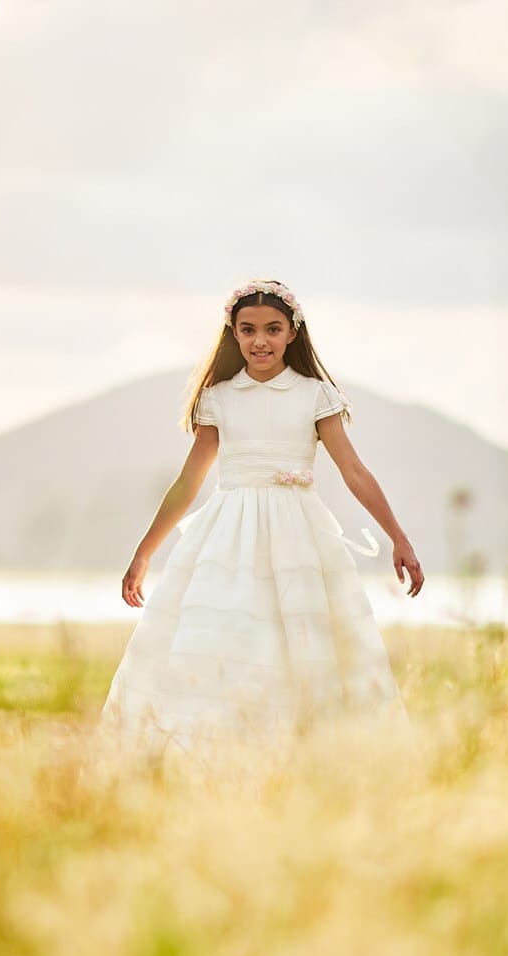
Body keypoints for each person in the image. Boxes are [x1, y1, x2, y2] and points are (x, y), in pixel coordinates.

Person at [95, 278, 423, 762]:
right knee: (225, 640)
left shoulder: (316, 395)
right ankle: (213, 758)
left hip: (299, 539)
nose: (260, 341)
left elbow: (354, 471)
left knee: (304, 646)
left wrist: (398, 537)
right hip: (229, 541)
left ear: (292, 332)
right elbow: (187, 483)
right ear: (234, 333)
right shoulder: (219, 398)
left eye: (273, 329)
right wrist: (144, 554)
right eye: (248, 330)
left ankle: (306, 758)